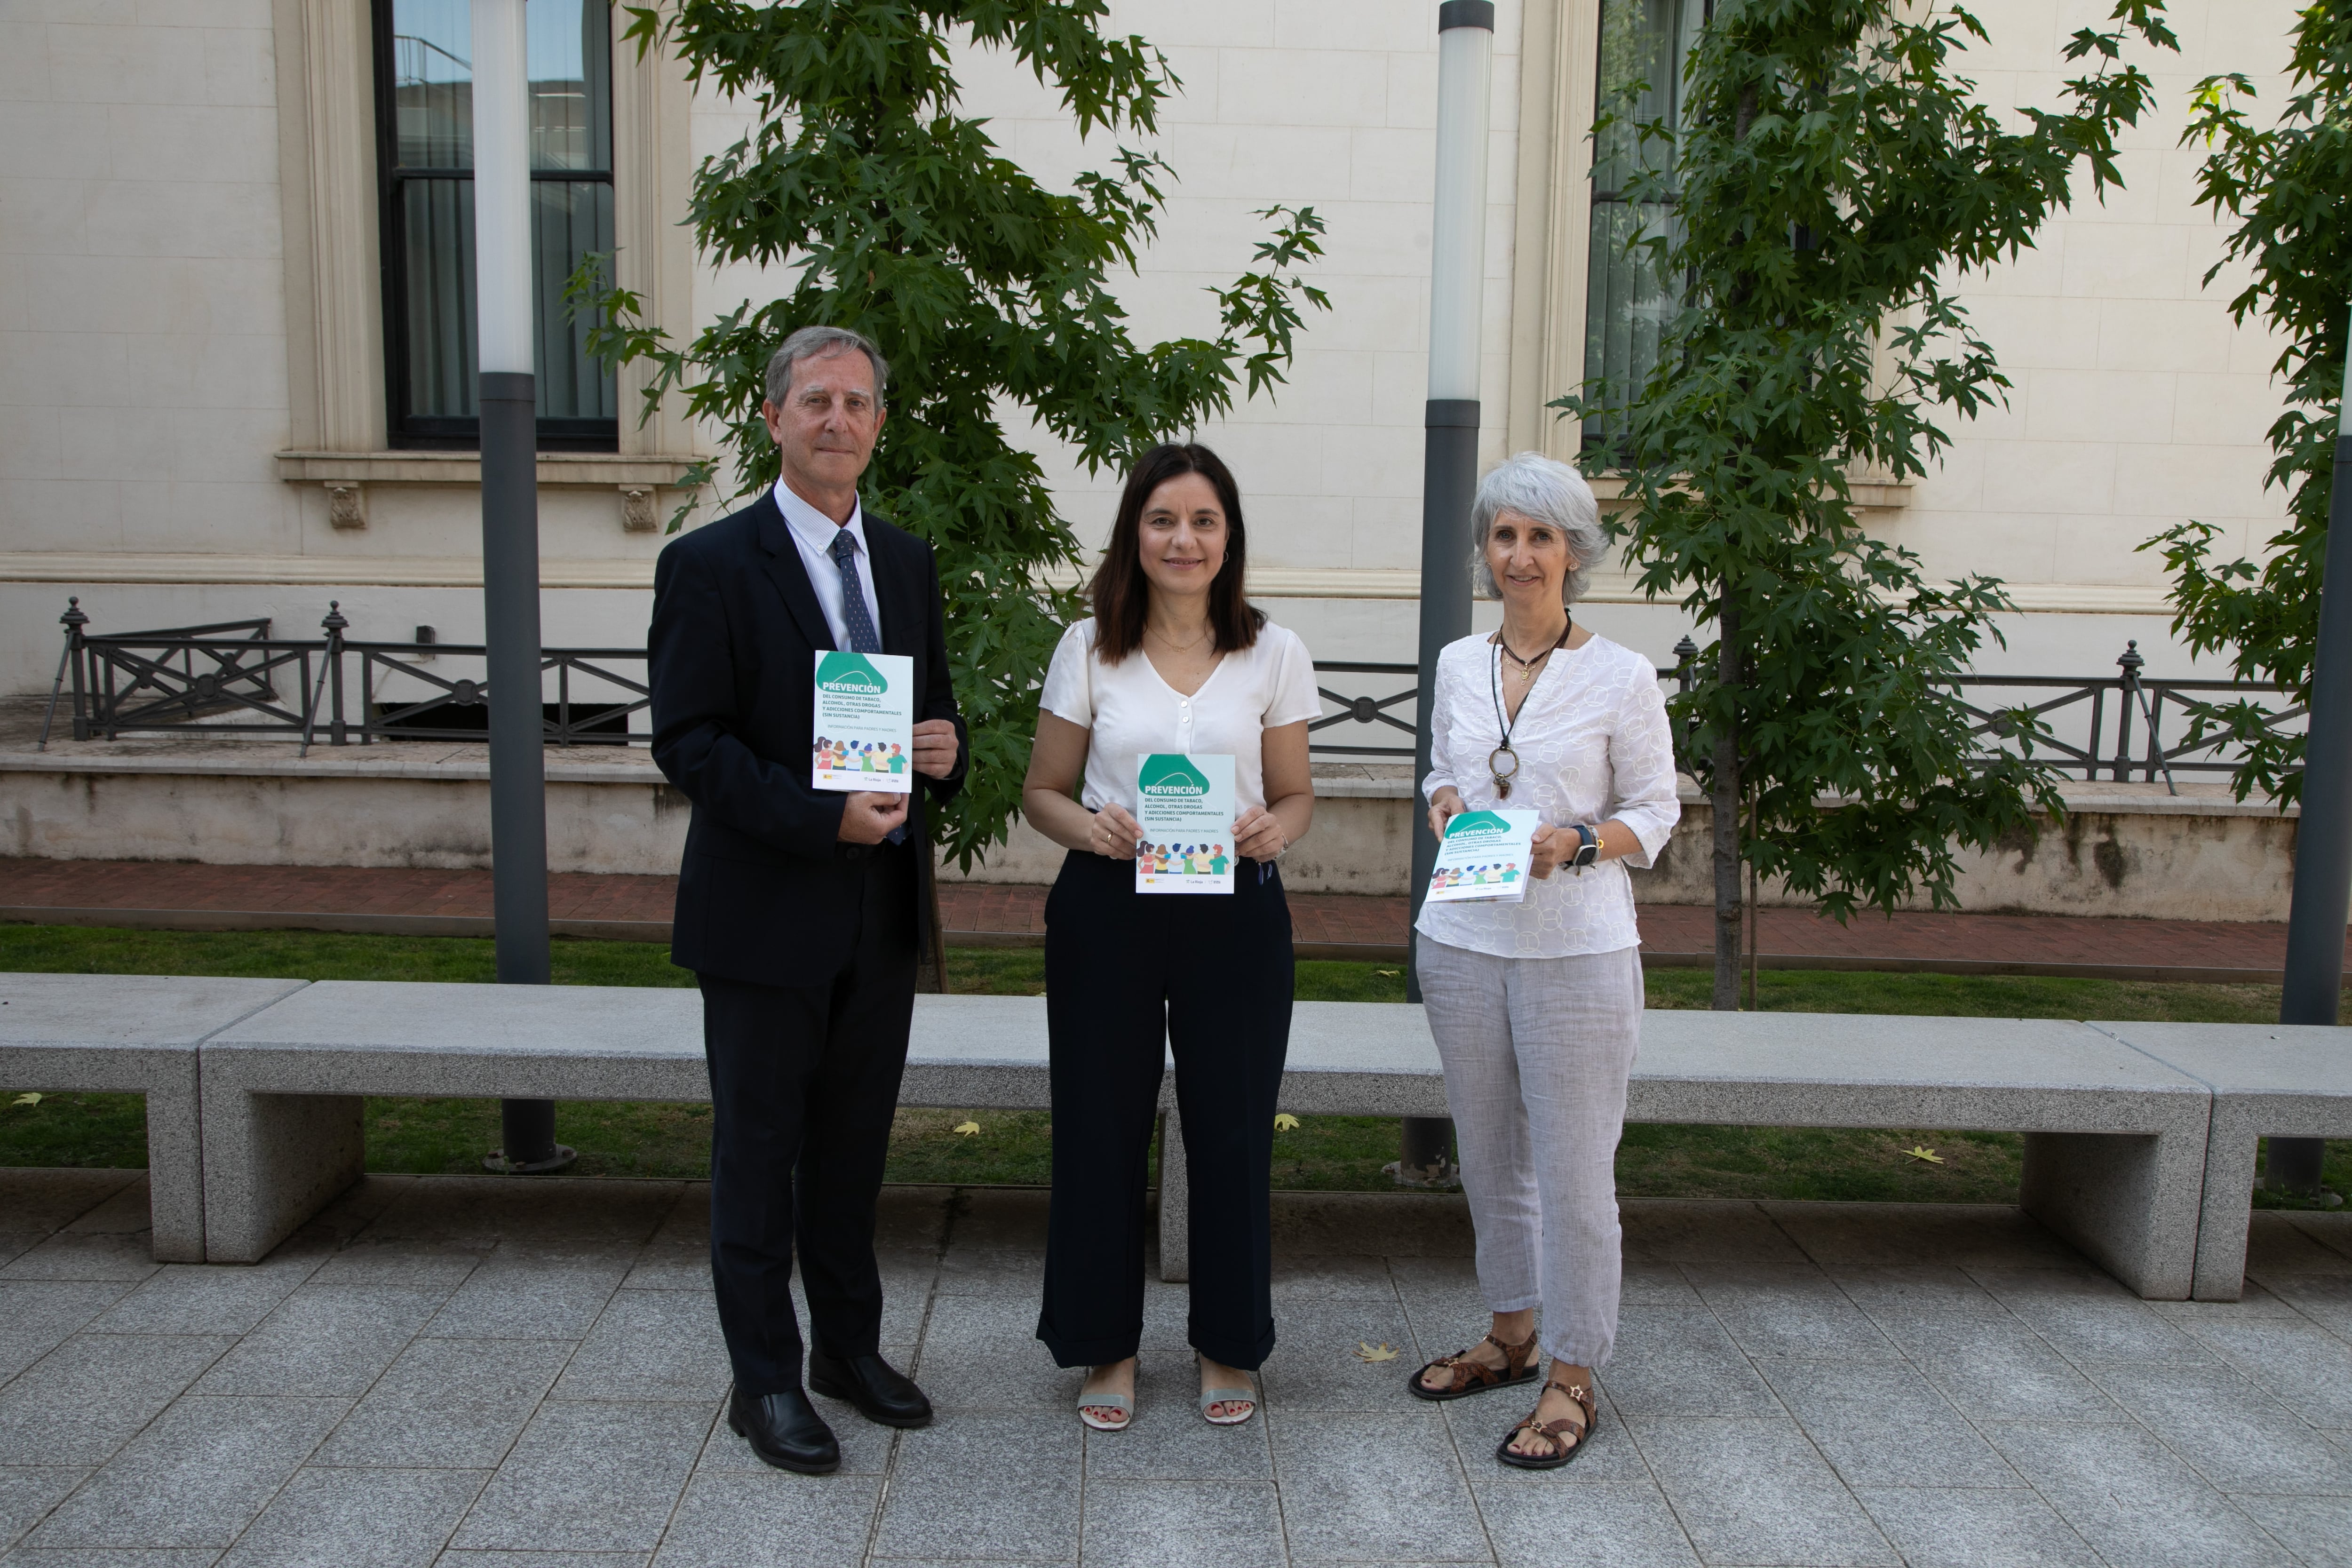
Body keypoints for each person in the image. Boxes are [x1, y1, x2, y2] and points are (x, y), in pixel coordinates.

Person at [648, 323, 969, 1476]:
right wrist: (814, 813)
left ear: (881, 425)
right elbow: (687, 743)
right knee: (759, 1153)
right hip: (762, 915)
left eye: (860, 402)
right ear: (774, 417)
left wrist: (946, 749)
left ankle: (848, 1349)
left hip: (878, 916)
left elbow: (935, 718)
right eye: (816, 400)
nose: (839, 419)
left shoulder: (907, 558)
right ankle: (765, 1381)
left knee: (852, 1151)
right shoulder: (710, 564)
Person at [1021, 441, 1319, 1431]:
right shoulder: (1088, 645)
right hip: (1110, 903)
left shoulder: (1272, 650)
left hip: (1235, 909)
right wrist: (1089, 825)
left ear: (1228, 536)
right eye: (1162, 520)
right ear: (1133, 535)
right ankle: (1103, 1346)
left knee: (1232, 1131)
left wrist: (1281, 824)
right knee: (1099, 1123)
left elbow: (1294, 792)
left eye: (1202, 520)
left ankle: (1228, 1340)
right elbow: (1041, 793)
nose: (1182, 538)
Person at [1406, 451, 1680, 1469]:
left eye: (1541, 536)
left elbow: (1655, 812)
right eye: (1504, 534)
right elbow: (1444, 769)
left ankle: (1573, 1370)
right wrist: (1442, 804)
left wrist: (1572, 841)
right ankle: (1511, 1332)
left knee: (1572, 1171)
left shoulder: (1620, 674)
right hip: (1465, 939)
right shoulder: (1454, 662)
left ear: (1574, 551)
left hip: (1577, 950)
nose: (1520, 555)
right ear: (1486, 548)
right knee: (1487, 1157)